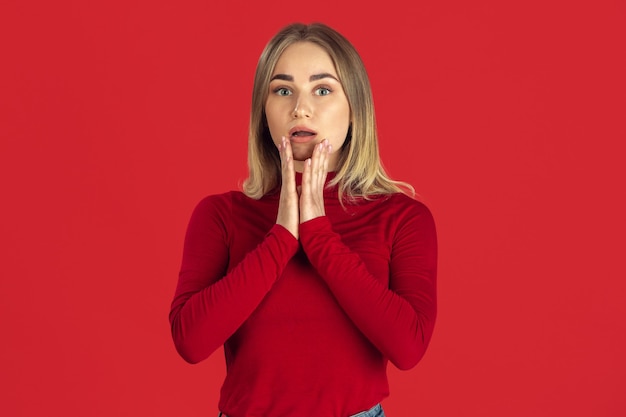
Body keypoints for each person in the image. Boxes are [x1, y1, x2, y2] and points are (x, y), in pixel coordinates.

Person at [169, 22, 437, 417]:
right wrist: (280, 237)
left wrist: (317, 233)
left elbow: (408, 348)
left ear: (355, 108)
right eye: (282, 90)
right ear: (264, 112)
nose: (300, 107)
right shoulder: (220, 215)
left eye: (323, 89)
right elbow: (191, 342)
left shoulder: (402, 218)